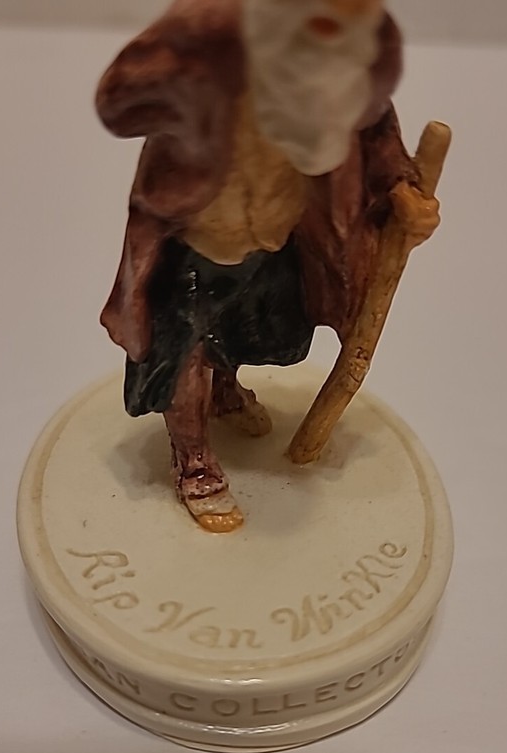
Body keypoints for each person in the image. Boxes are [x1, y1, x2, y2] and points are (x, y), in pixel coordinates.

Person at [96, 0, 440, 532]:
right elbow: (118, 105)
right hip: (193, 239)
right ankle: (194, 461)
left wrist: (402, 191)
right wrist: (201, 41)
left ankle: (225, 391)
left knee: (252, 328)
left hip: (278, 235)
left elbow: (373, 122)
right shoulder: (212, 44)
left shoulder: (341, 60)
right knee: (180, 351)